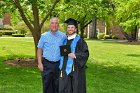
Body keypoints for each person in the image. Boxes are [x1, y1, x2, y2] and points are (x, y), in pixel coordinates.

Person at [59, 18, 89, 93]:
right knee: (64, 88)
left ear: (75, 29)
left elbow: (85, 54)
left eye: (72, 27)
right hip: (64, 70)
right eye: (68, 27)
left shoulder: (80, 41)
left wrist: (75, 55)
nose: (70, 29)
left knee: (76, 88)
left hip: (76, 71)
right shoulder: (64, 41)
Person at [37, 17, 66, 93]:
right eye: (52, 23)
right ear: (50, 25)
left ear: (58, 25)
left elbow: (65, 51)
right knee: (47, 85)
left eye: (56, 23)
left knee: (58, 86)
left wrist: (65, 64)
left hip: (58, 64)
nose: (54, 25)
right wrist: (40, 63)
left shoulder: (63, 36)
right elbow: (39, 49)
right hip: (47, 64)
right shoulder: (44, 36)